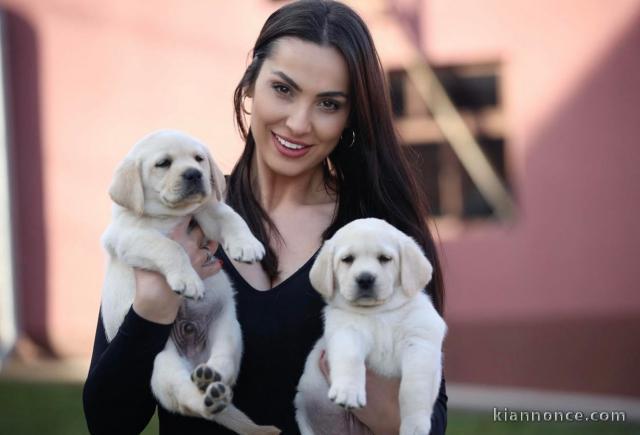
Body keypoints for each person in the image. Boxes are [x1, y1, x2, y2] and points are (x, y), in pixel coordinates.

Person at [83, 1, 447, 434]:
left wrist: (367, 391)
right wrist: (151, 309)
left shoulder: (377, 240)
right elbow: (109, 423)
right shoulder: (176, 220)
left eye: (328, 104)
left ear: (350, 117)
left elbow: (430, 421)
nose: (299, 123)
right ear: (251, 83)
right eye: (284, 89)